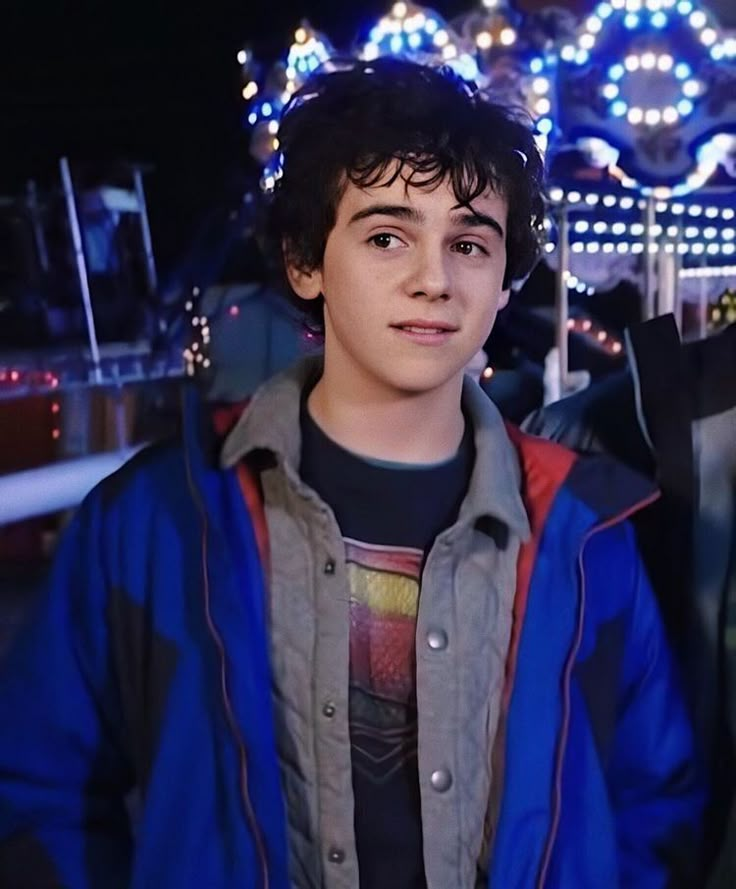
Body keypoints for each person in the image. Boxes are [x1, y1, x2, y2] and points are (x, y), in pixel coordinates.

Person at [0, 58, 703, 888]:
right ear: (305, 260)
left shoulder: (589, 537)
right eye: (385, 236)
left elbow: (656, 804)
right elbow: (38, 790)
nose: (434, 279)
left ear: (503, 279)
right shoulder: (155, 522)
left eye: (470, 242)